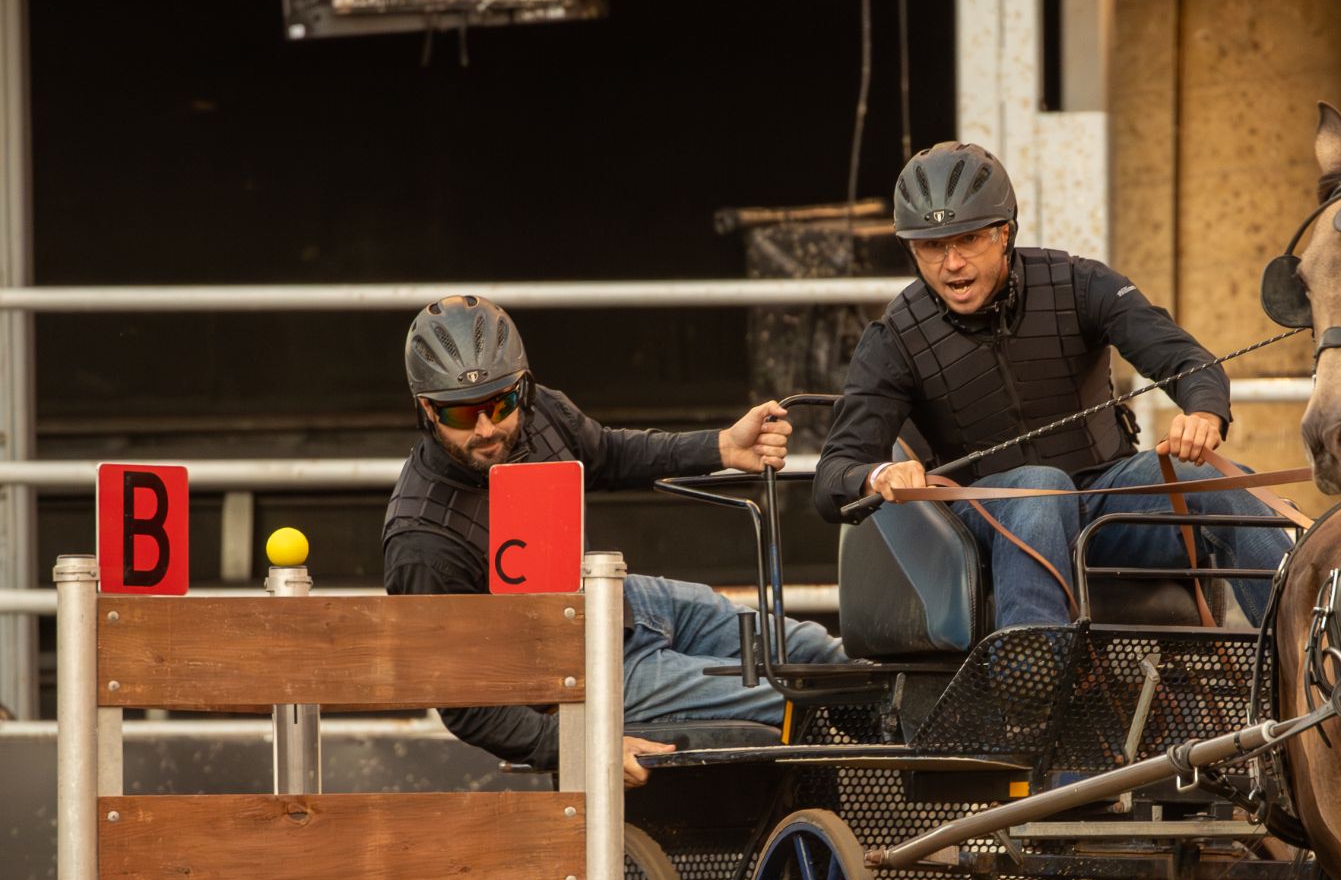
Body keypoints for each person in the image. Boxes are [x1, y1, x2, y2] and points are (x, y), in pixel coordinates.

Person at [813, 141, 1288, 629]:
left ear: (1004, 234)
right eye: (932, 247)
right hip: (986, 522)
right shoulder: (893, 338)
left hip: (1104, 500)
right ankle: (1029, 686)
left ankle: (1304, 665)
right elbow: (833, 476)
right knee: (1040, 489)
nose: (951, 263)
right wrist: (876, 477)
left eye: (969, 240)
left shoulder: (1081, 283)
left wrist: (1203, 411)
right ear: (913, 249)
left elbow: (1188, 361)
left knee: (1225, 485)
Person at [383, 294, 844, 786]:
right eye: (460, 414)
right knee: (792, 693)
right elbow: (466, 708)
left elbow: (609, 454)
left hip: (620, 604)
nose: (487, 428)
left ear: (523, 385)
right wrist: (582, 745)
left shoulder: (541, 412)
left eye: (501, 403)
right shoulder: (422, 540)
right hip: (569, 669)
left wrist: (722, 446)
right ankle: (827, 844)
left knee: (819, 654)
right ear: (427, 410)